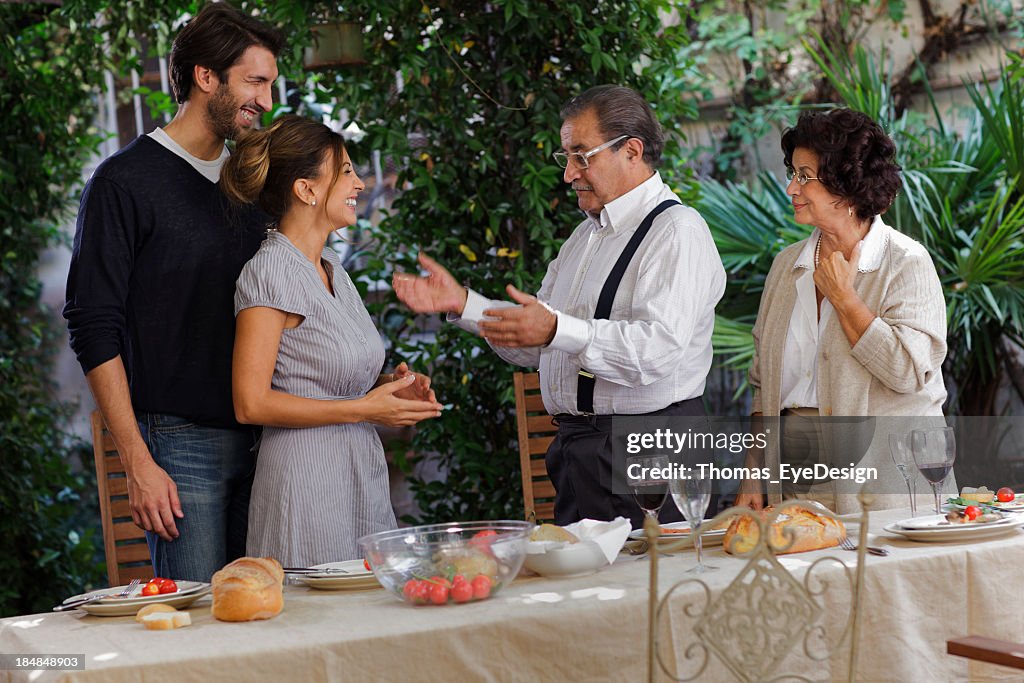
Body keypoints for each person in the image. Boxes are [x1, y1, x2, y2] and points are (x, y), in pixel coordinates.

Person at [393, 85, 726, 528]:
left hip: (650, 452)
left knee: (653, 593)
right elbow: (539, 345)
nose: (569, 174)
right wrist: (465, 304)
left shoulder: (678, 231)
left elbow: (656, 350)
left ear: (632, 151)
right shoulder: (583, 239)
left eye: (581, 156)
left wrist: (554, 331)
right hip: (577, 454)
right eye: (566, 158)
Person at [63, 3, 284, 581]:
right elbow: (92, 326)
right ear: (205, 76)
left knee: (267, 618)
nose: (265, 100)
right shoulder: (123, 182)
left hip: (272, 439)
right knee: (196, 638)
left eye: (269, 84)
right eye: (254, 82)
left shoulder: (252, 183)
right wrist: (137, 460)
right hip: (181, 445)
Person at [222, 115, 443, 565]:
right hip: (304, 482)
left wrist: (391, 388)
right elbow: (251, 403)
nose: (360, 183)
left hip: (359, 472)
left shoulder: (333, 270)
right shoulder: (267, 273)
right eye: (345, 171)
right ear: (306, 190)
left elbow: (325, 374)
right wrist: (365, 408)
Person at [735, 108, 949, 512]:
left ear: (847, 186)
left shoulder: (905, 261)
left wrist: (845, 299)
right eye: (793, 174)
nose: (791, 189)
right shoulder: (786, 267)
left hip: (889, 483)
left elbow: (907, 370)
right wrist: (753, 474)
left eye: (805, 177)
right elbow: (764, 387)